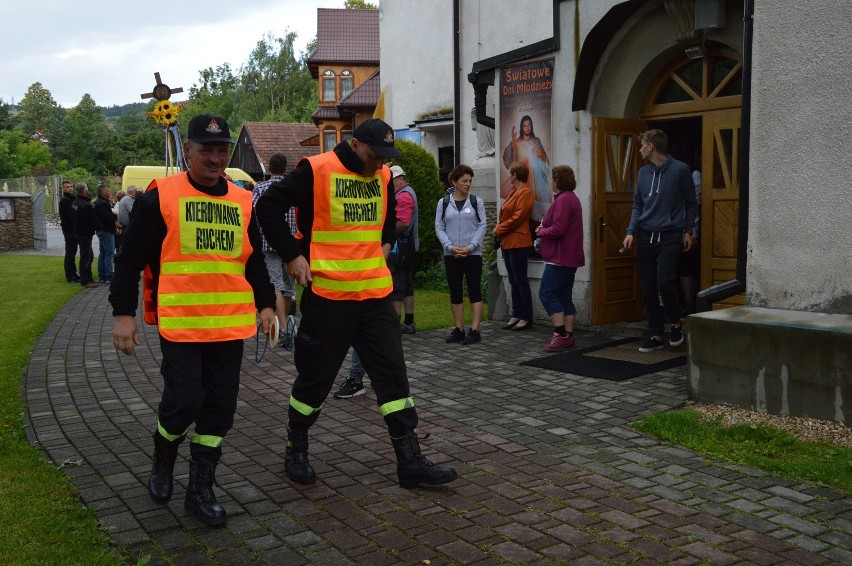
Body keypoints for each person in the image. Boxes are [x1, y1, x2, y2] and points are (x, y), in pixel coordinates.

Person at [256, 118, 458, 489]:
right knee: (315, 381)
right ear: (355, 144)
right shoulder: (316, 170)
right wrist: (291, 255)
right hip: (329, 298)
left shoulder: (382, 178)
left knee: (393, 377)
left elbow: (386, 223)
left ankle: (409, 460)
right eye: (375, 155)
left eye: (385, 157)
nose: (381, 163)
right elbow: (267, 207)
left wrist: (383, 246)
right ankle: (295, 445)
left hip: (375, 298)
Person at [109, 114, 276, 526]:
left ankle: (200, 488)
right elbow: (128, 260)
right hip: (182, 324)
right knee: (185, 402)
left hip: (228, 326)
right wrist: (123, 315)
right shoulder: (160, 197)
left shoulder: (241, 199)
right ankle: (163, 457)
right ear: (188, 151)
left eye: (222, 150)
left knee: (220, 410)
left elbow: (252, 259)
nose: (216, 158)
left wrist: (268, 304)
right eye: (207, 150)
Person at [622, 129, 698, 352]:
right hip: (646, 236)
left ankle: (675, 324)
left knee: (664, 282)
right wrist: (630, 231)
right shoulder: (643, 173)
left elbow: (691, 203)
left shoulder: (680, 170)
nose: (640, 149)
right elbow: (638, 205)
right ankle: (655, 335)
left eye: (642, 145)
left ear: (651, 147)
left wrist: (688, 231)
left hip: (670, 236)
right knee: (648, 287)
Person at [435, 164, 487, 345]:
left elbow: (482, 226)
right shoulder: (443, 203)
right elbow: (439, 227)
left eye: (470, 181)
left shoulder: (476, 202)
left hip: (472, 254)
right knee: (455, 291)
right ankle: (459, 329)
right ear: (454, 182)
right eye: (464, 181)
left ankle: (475, 330)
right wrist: (450, 247)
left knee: (474, 290)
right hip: (452, 255)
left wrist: (471, 247)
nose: (468, 184)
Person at [535, 165, 585, 352]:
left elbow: (558, 228)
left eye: (552, 178)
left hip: (560, 257)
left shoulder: (564, 200)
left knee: (546, 293)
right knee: (564, 295)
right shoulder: (571, 198)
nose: (550, 182)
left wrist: (541, 231)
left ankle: (560, 334)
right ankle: (569, 336)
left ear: (559, 180)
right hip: (569, 257)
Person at [253, 153, 298, 343]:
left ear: (269, 168)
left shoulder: (260, 188)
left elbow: (254, 214)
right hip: (291, 246)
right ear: (285, 168)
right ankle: (285, 324)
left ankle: (283, 329)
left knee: (276, 286)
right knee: (288, 288)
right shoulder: (293, 188)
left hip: (267, 243)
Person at [494, 162, 535, 331]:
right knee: (513, 280)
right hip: (509, 242)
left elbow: (518, 218)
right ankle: (516, 314)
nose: (508, 176)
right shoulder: (514, 191)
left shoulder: (525, 192)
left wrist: (498, 229)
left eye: (510, 173)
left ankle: (526, 317)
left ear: (515, 175)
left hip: (519, 242)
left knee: (520, 281)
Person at [388, 165, 418, 334]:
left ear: (400, 179)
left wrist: (388, 232)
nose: (390, 184)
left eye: (391, 180)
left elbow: (404, 222)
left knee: (398, 286)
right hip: (408, 246)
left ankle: (396, 325)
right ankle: (409, 322)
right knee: (407, 285)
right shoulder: (406, 192)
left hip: (402, 247)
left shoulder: (404, 195)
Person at [501, 115, 550, 209]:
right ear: (521, 128)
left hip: (536, 180)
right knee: (522, 204)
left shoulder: (536, 141)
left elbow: (545, 160)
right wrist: (512, 143)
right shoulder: (517, 142)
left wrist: (541, 153)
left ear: (531, 126)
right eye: (525, 125)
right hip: (522, 178)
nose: (527, 127)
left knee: (535, 205)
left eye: (529, 125)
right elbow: (507, 158)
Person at [71, 182, 105, 288]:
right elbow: (93, 221)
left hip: (78, 232)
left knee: (89, 256)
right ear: (85, 191)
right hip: (85, 233)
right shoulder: (85, 205)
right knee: (86, 257)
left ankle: (88, 278)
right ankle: (85, 280)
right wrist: (104, 226)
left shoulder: (75, 202)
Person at [93, 184, 118, 283]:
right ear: (103, 192)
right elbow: (107, 218)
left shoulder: (97, 202)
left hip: (101, 230)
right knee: (109, 254)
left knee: (102, 254)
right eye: (108, 191)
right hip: (106, 231)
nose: (110, 193)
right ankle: (108, 276)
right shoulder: (103, 203)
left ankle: (102, 275)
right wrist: (114, 216)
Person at [58, 179, 79, 283]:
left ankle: (73, 273)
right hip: (69, 230)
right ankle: (70, 275)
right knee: (70, 252)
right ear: (63, 188)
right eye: (67, 187)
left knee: (73, 252)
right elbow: (71, 215)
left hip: (73, 229)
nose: (70, 188)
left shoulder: (72, 199)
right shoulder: (65, 200)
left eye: (71, 186)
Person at [116, 186, 139, 252]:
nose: (136, 193)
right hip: (126, 226)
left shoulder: (125, 199)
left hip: (124, 225)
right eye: (136, 191)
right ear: (131, 192)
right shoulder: (128, 199)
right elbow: (132, 211)